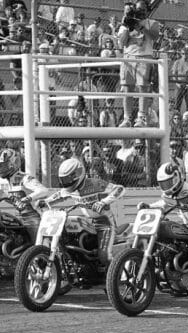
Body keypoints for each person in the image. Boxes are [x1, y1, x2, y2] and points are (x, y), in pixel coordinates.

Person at [47, 157, 126, 265]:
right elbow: (57, 196)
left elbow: (120, 189)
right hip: (89, 222)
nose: (66, 182)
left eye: (69, 179)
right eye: (64, 180)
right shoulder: (69, 190)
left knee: (104, 256)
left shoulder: (95, 183)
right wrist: (44, 201)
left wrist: (103, 202)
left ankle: (116, 276)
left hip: (105, 223)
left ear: (78, 174)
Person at [0, 148, 50, 241]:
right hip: (19, 217)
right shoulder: (2, 181)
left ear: (13, 163)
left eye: (3, 165)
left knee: (39, 246)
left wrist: (29, 198)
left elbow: (44, 190)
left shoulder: (25, 178)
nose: (0, 169)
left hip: (34, 217)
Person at [117, 0, 160, 128]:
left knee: (143, 88)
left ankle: (141, 117)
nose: (141, 12)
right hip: (128, 57)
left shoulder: (152, 23)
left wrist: (140, 26)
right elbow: (122, 43)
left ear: (147, 10)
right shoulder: (126, 23)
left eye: (143, 10)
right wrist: (127, 26)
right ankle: (127, 118)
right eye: (139, 10)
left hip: (144, 57)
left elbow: (154, 36)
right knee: (127, 88)